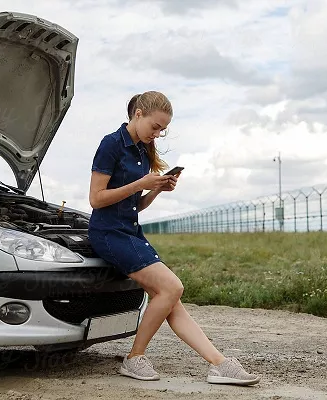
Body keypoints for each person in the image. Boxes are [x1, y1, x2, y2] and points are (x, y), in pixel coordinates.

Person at [87, 91, 260, 385]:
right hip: (108, 233)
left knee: (169, 297)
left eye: (162, 130)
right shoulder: (111, 144)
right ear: (138, 114)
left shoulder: (144, 149)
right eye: (155, 127)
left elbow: (135, 205)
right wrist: (141, 182)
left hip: (130, 231)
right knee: (171, 287)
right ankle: (134, 359)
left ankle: (219, 364)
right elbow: (96, 199)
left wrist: (155, 190)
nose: (158, 134)